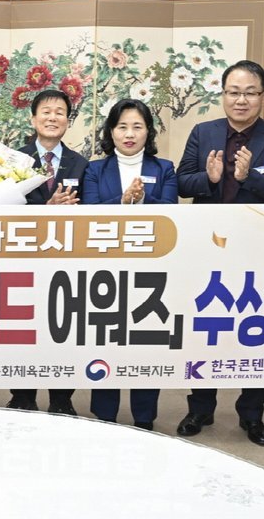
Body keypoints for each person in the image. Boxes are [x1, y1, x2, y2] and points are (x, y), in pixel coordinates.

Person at [175, 60, 264, 447]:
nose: (241, 100)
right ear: (223, 94)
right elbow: (182, 182)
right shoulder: (204, 132)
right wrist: (209, 178)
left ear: (263, 96)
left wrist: (252, 178)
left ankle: (252, 414)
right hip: (209, 247)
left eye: (249, 93)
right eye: (233, 92)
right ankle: (200, 407)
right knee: (206, 329)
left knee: (254, 330)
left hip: (257, 249)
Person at [82, 98, 177, 430]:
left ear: (148, 131)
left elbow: (172, 212)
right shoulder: (95, 170)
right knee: (106, 340)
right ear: (111, 131)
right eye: (122, 126)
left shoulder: (163, 169)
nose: (129, 134)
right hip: (105, 271)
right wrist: (122, 201)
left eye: (137, 126)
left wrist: (144, 199)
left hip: (150, 272)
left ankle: (144, 417)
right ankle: (105, 414)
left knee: (146, 343)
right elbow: (87, 214)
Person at [7, 89, 87, 414]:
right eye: (46, 112)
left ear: (67, 121)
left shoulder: (81, 164)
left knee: (62, 327)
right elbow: (2, 208)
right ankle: (22, 395)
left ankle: (61, 397)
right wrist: (44, 209)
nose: (52, 118)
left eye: (59, 113)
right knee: (22, 327)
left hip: (65, 261)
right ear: (33, 119)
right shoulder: (15, 160)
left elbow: (91, 211)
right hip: (22, 259)